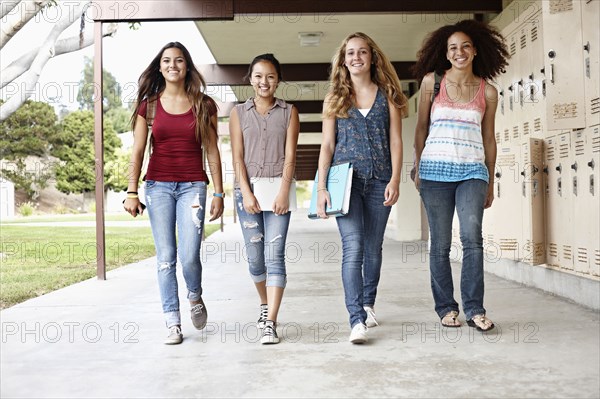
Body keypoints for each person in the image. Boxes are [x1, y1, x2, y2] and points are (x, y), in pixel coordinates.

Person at [124, 42, 225, 345]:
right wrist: (131, 191)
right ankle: (172, 321)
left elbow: (212, 150)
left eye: (179, 60)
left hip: (193, 185)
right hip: (158, 187)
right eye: (167, 61)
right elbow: (139, 150)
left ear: (187, 67)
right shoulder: (149, 106)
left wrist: (219, 193)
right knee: (166, 257)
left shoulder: (203, 104)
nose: (172, 65)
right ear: (160, 67)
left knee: (190, 254)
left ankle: (194, 295)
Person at [412, 20, 509, 332]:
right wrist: (417, 165)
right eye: (453, 47)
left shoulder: (488, 91)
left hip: (472, 172)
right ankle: (446, 308)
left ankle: (475, 308)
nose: (459, 52)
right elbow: (421, 128)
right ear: (446, 53)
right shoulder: (432, 83)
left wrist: (490, 180)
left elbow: (489, 138)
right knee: (439, 244)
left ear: (476, 50)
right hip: (435, 172)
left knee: (472, 238)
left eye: (465, 46)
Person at [316, 32, 407, 344]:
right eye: (350, 53)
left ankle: (368, 303)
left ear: (372, 57)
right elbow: (327, 145)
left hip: (380, 179)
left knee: (373, 247)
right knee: (353, 246)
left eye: (362, 52)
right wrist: (321, 188)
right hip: (346, 182)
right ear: (344, 60)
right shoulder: (334, 99)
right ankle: (356, 318)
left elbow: (396, 140)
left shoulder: (389, 94)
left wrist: (395, 179)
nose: (356, 58)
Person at [229, 53, 300, 345]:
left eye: (270, 76)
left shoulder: (289, 111)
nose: (264, 82)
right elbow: (236, 157)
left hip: (278, 190)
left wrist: (284, 190)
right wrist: (246, 192)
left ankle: (270, 321)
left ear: (278, 80)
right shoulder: (238, 112)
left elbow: (291, 155)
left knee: (275, 256)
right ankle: (263, 304)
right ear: (250, 78)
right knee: (256, 258)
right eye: (258, 76)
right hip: (247, 192)